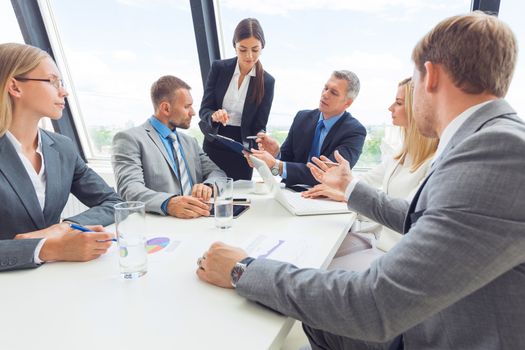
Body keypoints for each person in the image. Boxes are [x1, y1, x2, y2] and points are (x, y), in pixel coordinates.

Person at [196, 12, 525, 349]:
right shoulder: (489, 139)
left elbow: (373, 305)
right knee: (317, 320)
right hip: (435, 320)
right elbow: (423, 219)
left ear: (431, 76)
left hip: (434, 335)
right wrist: (351, 188)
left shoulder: (498, 151)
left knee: (314, 312)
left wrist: (243, 270)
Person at [0, 43, 120, 272]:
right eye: (52, 81)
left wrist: (64, 228)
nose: (63, 91)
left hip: (56, 281)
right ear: (15, 86)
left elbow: (113, 202)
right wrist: (48, 248)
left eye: (61, 83)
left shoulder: (62, 147)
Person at [303, 78, 438, 260]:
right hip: (380, 243)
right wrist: (340, 187)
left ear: (418, 109)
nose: (390, 108)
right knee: (315, 247)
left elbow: (407, 214)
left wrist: (347, 190)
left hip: (395, 254)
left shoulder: (433, 162)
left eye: (398, 103)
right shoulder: (401, 154)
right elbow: (367, 180)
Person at [112, 75, 226, 219]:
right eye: (187, 106)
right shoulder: (130, 139)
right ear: (166, 108)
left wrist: (208, 186)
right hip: (161, 226)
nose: (193, 112)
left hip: (199, 220)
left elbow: (218, 173)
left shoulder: (190, 142)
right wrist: (169, 203)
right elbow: (130, 190)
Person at [250, 70, 366, 187]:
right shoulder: (302, 118)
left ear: (348, 103)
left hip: (326, 199)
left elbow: (325, 173)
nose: (325, 94)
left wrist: (275, 164)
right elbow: (287, 161)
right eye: (325, 88)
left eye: (334, 92)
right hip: (291, 192)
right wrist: (276, 153)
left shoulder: (354, 132)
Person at [199, 18, 275, 180]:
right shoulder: (219, 69)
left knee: (240, 199)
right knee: (208, 195)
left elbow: (260, 125)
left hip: (242, 150)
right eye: (243, 49)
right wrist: (214, 116)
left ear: (262, 47)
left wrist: (261, 137)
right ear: (235, 46)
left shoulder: (267, 82)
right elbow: (204, 110)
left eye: (255, 49)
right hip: (214, 143)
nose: (249, 56)